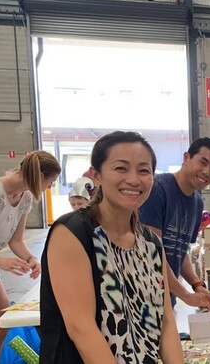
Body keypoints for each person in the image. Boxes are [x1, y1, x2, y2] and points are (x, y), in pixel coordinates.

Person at [40, 131, 183, 363]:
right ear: (96, 175)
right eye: (121, 168)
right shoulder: (73, 233)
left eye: (144, 170)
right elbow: (81, 328)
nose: (134, 179)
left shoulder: (151, 244)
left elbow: (165, 320)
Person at [0, 151, 60, 363]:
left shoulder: (24, 197)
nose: (49, 188)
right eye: (50, 182)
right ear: (40, 177)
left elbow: (16, 241)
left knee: (3, 323)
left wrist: (31, 259)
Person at [139, 137, 210, 310]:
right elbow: (151, 253)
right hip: (142, 300)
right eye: (203, 162)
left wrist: (196, 284)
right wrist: (185, 295)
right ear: (186, 158)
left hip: (167, 299)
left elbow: (180, 250)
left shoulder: (197, 203)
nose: (206, 172)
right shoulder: (157, 189)